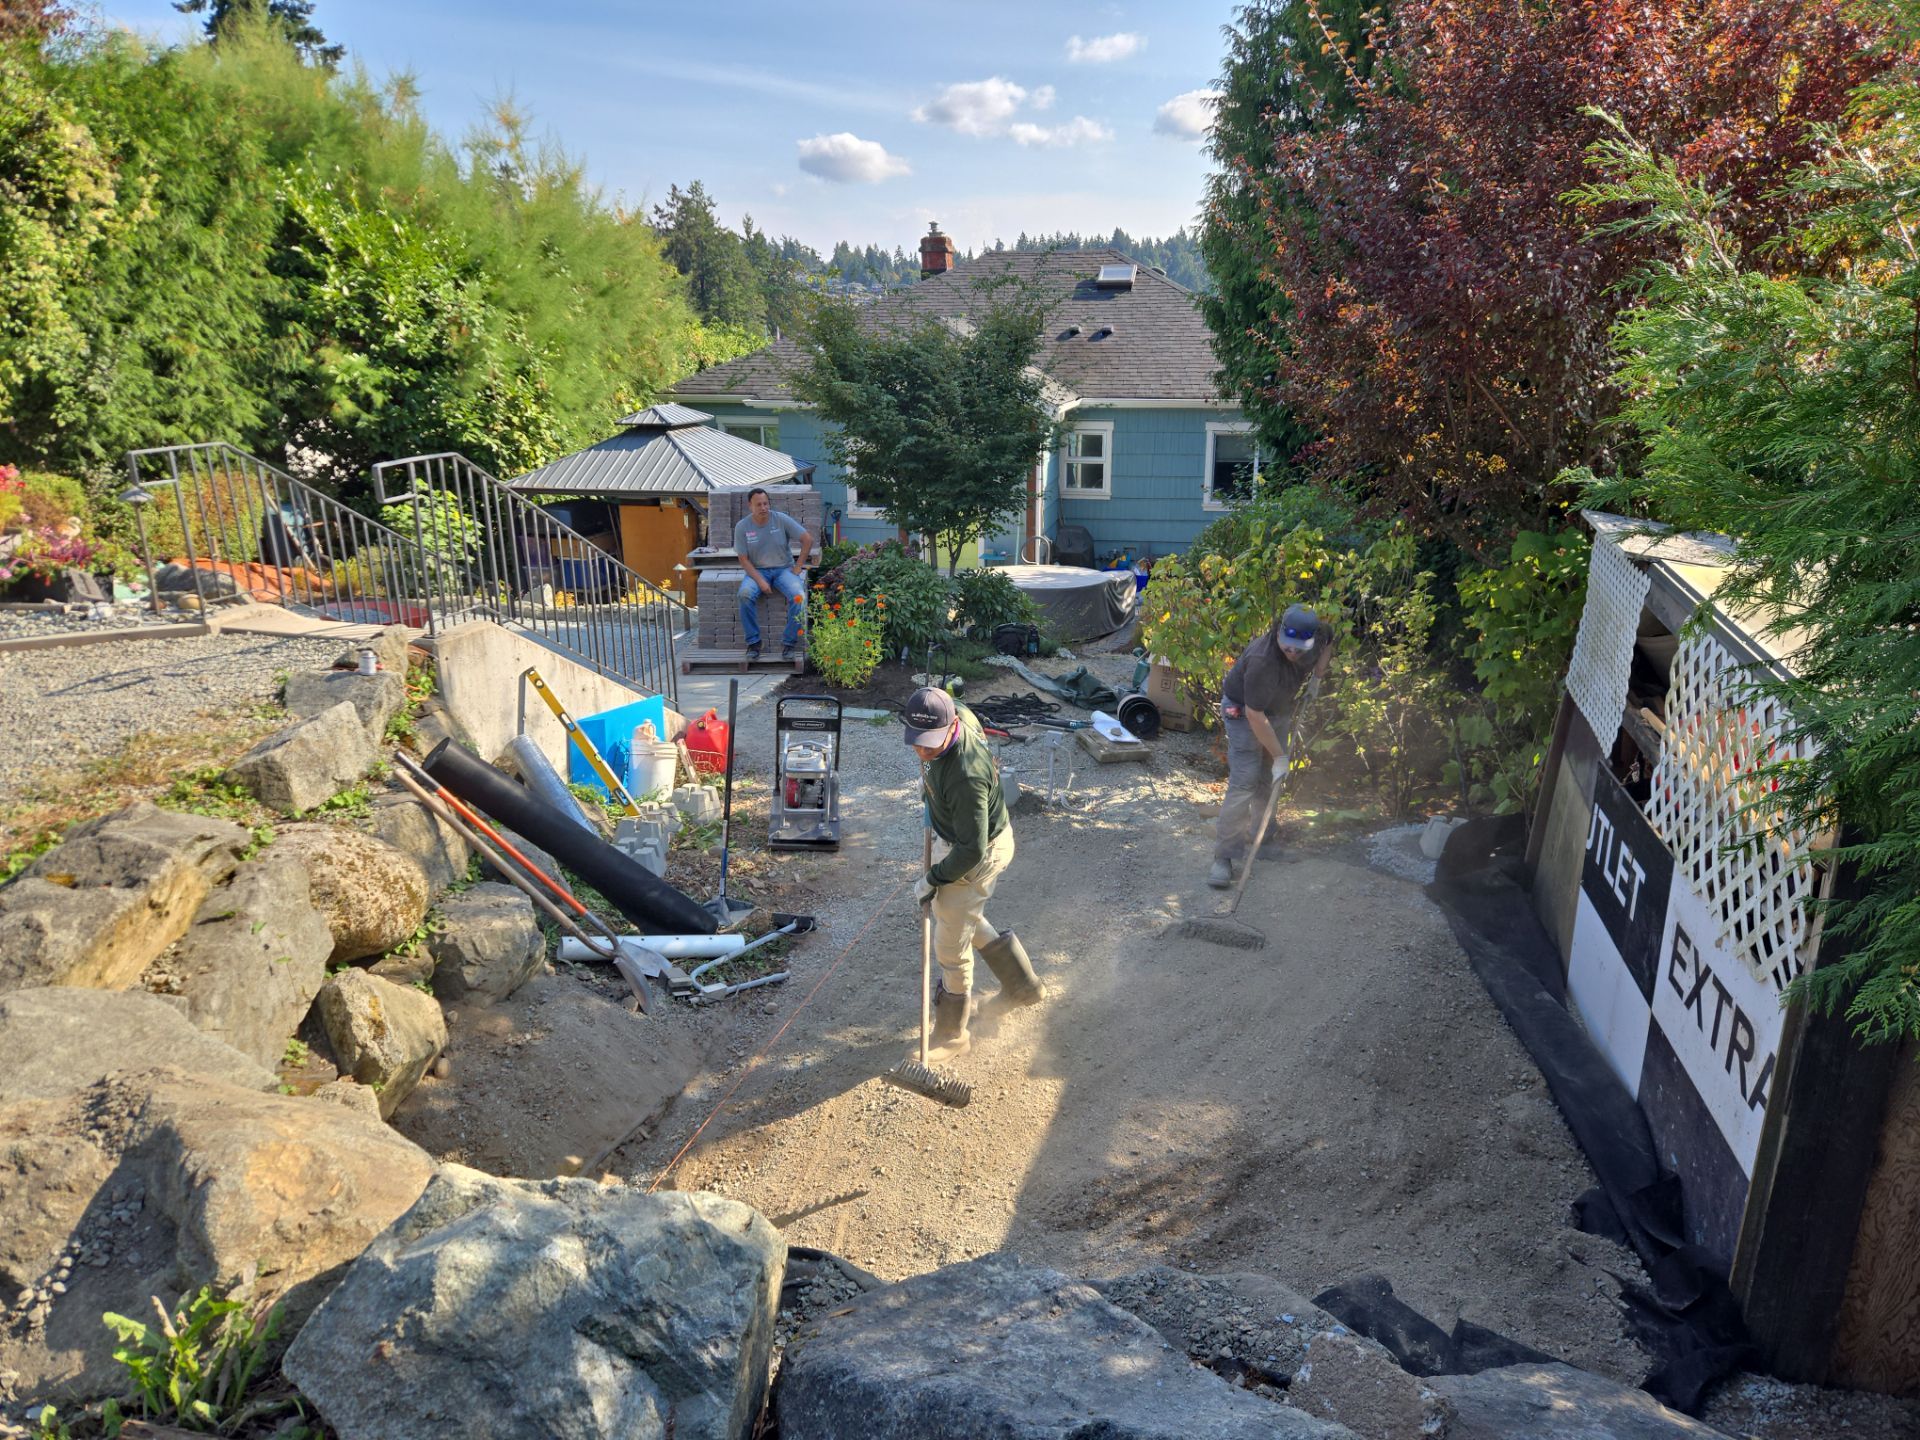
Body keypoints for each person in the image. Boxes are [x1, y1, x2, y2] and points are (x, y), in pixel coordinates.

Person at [903, 686, 1046, 1060]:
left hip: (977, 853)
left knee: (950, 943)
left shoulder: (966, 776)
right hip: (971, 838)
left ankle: (953, 1034)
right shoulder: (957, 711)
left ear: (951, 727)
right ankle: (1022, 986)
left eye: (930, 746)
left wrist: (933, 878)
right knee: (961, 914)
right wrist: (930, 791)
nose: (922, 751)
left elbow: (971, 849)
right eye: (917, 743)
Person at [1209, 603, 1334, 889]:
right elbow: (1254, 715)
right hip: (1243, 712)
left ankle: (1262, 841)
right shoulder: (1262, 660)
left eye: (1299, 648)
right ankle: (1224, 857)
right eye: (1288, 646)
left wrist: (1317, 677)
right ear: (1279, 631)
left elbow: (1329, 641)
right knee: (1245, 782)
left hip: (1278, 712)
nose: (1292, 652)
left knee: (1269, 781)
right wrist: (1280, 756)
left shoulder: (1317, 636)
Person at [733, 487, 815, 661]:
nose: (763, 507)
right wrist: (761, 582)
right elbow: (743, 560)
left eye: (765, 503)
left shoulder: (780, 520)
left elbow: (807, 539)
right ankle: (754, 643)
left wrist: (798, 566)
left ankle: (789, 643)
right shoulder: (742, 527)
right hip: (757, 571)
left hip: (783, 570)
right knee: (744, 594)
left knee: (799, 596)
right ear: (750, 506)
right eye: (759, 504)